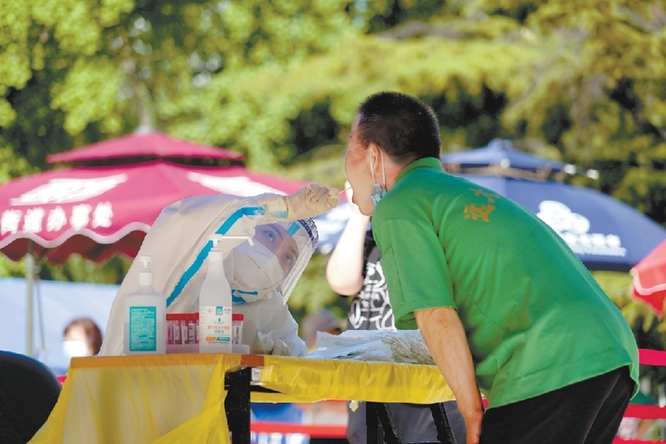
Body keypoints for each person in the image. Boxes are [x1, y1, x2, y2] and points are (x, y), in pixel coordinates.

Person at [343, 91, 639, 444]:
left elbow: (435, 314)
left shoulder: (400, 203)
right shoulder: (457, 191)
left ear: (374, 156)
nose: (345, 165)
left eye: (349, 150)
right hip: (611, 353)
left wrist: (471, 413)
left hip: (549, 361)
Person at [100, 184, 339, 357]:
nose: (275, 257)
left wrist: (280, 353)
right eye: (269, 235)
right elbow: (194, 219)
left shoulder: (269, 306)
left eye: (288, 256)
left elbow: (297, 353)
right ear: (246, 230)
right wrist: (281, 207)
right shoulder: (187, 264)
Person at [326, 184, 466, 444]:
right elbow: (341, 282)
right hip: (368, 377)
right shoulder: (366, 239)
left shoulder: (434, 234)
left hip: (423, 381)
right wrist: (358, 215)